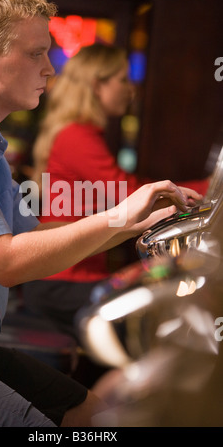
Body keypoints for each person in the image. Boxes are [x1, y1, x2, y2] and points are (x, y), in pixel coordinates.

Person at [0, 0, 203, 427]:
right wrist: (116, 214)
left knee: (97, 415)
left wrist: (135, 223)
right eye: (36, 53)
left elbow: (33, 238)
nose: (51, 68)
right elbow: (5, 262)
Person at [23, 43, 210, 340]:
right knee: (163, 322)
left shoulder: (79, 131)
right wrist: (210, 186)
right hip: (61, 280)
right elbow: (129, 193)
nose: (131, 88)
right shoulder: (76, 135)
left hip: (66, 275)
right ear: (98, 85)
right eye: (122, 79)